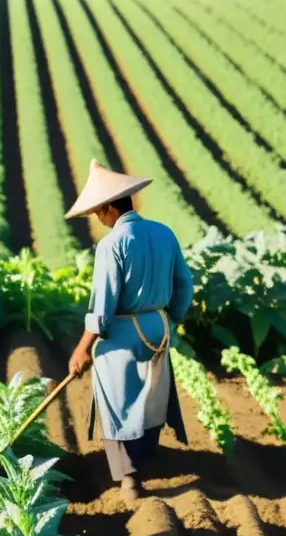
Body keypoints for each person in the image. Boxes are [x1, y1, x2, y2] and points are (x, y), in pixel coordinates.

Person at [65, 159, 194, 505]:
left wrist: (83, 348)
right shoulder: (164, 233)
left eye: (97, 212)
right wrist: (172, 320)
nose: (97, 218)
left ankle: (130, 479)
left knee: (118, 404)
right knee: (149, 399)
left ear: (110, 207)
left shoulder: (112, 245)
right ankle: (143, 465)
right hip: (157, 328)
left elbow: (103, 307)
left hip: (123, 333)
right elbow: (185, 284)